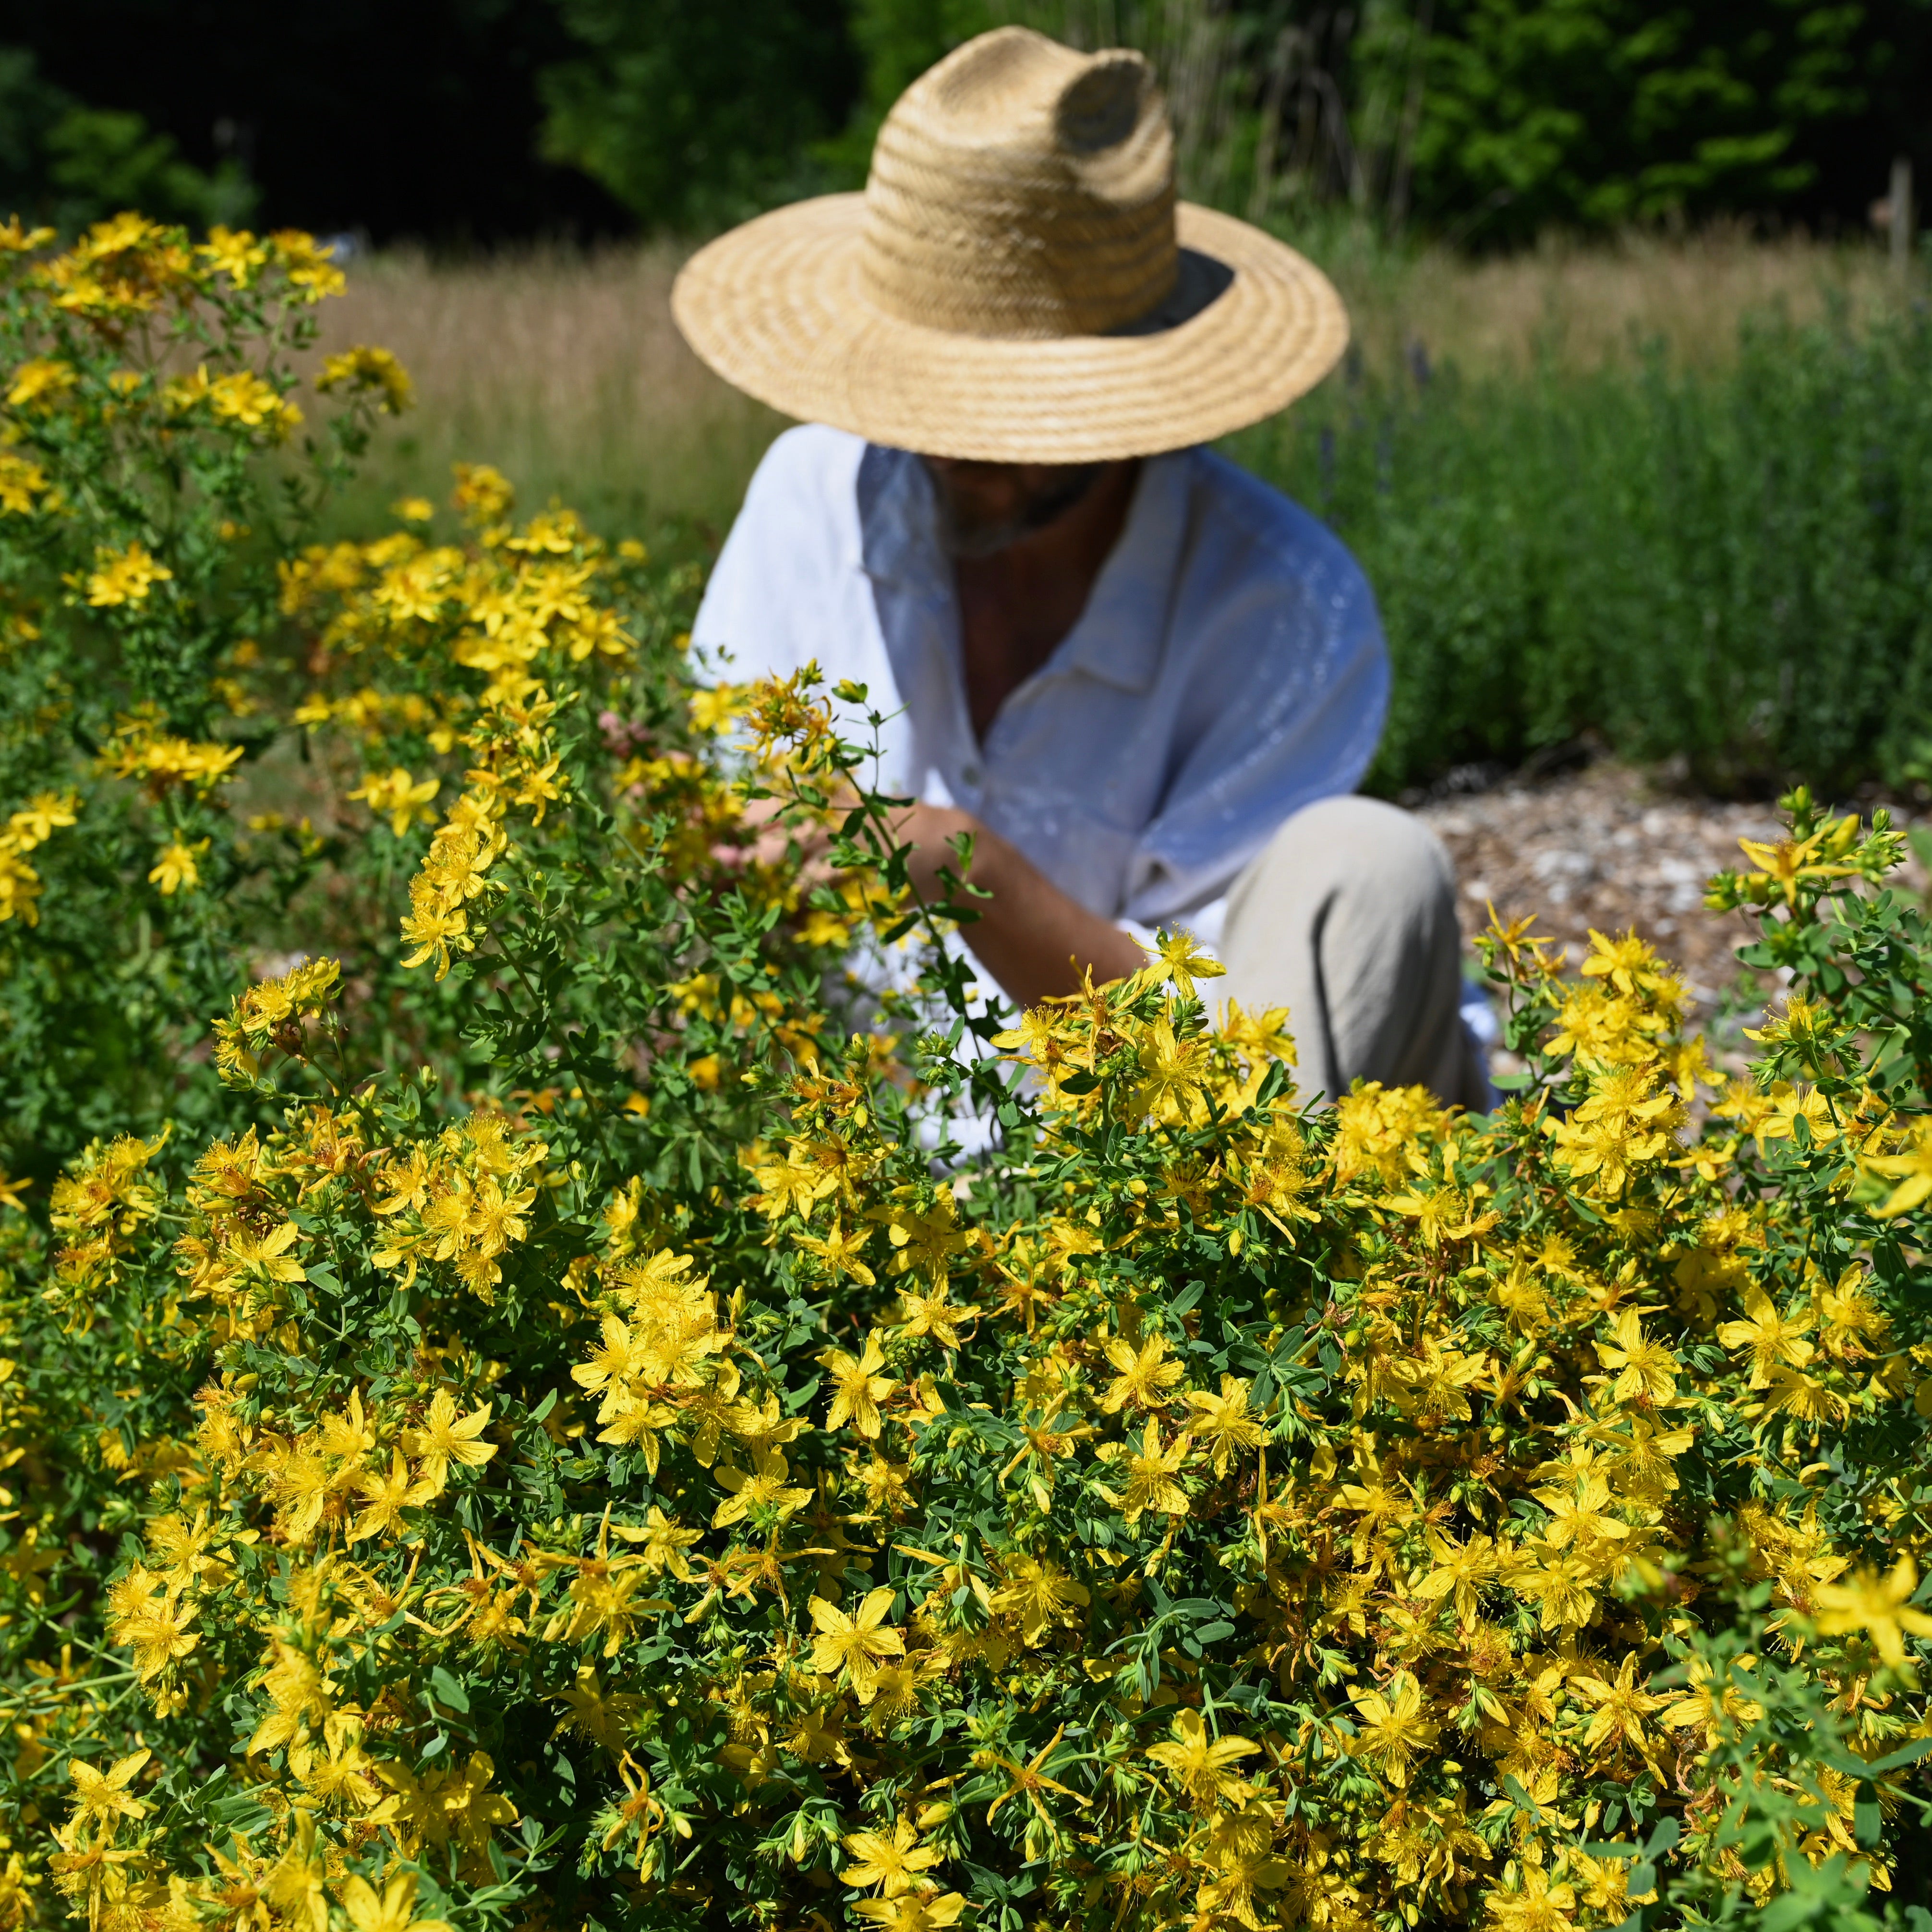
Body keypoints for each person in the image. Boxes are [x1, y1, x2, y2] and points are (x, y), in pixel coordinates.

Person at [673, 24, 1488, 1111]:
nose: (954, 444)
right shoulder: (812, 494)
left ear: (1138, 391)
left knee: (1372, 859)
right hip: (860, 1140)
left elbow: (1224, 1055)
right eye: (925, 397)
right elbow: (729, 856)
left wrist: (964, 867)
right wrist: (678, 823)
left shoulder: (1283, 605)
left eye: (1009, 414)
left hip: (1169, 1159)